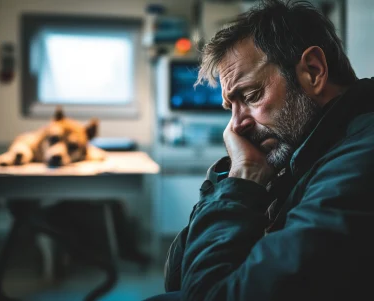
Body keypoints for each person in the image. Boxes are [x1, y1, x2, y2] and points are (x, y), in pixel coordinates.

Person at [145, 0, 374, 300]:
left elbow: (207, 294)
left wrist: (241, 181)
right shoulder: (305, 150)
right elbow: (179, 276)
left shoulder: (360, 159)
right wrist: (229, 180)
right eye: (230, 107)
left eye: (251, 95)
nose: (235, 126)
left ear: (313, 71)